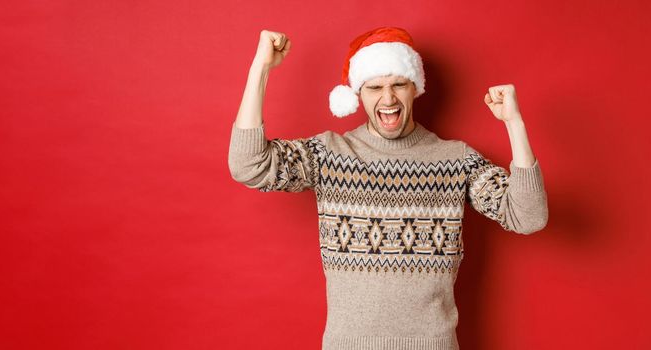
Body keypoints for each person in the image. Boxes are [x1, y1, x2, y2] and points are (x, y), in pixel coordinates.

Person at [229, 26, 548, 350]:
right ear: (359, 93)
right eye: (375, 87)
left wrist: (514, 123)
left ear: (415, 88)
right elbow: (249, 164)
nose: (388, 98)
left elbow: (527, 216)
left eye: (398, 84)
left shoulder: (455, 160)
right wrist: (261, 69)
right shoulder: (329, 154)